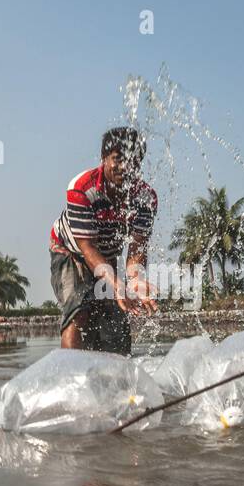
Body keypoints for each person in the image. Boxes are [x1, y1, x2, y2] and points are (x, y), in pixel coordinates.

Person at [49, 127, 158, 354]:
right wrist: (117, 284)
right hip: (71, 251)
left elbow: (137, 249)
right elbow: (87, 249)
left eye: (133, 161)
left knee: (115, 325)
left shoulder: (146, 198)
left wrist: (135, 280)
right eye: (118, 160)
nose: (125, 168)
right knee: (79, 310)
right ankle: (70, 379)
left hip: (106, 256)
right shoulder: (82, 188)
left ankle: (117, 383)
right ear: (104, 159)